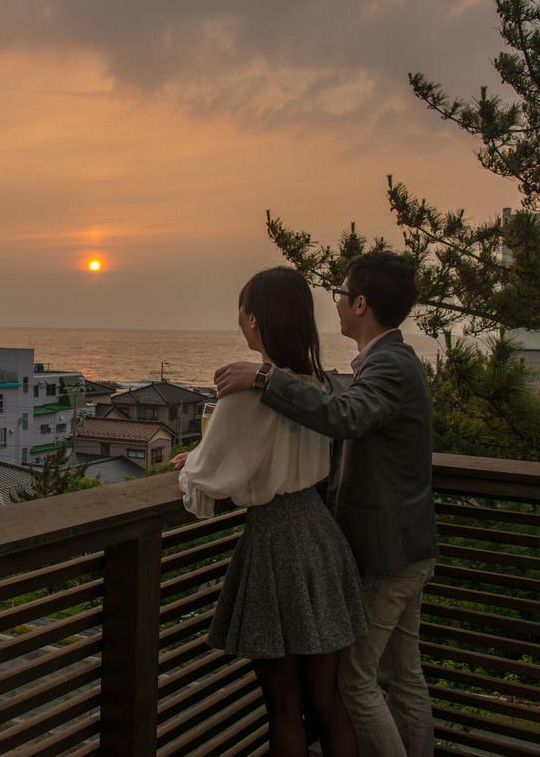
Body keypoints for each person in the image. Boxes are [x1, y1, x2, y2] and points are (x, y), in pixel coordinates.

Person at [214, 250, 438, 757]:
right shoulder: (389, 361)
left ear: (360, 303)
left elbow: (346, 417)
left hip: (389, 553)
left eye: (339, 293)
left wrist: (267, 378)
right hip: (410, 546)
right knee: (403, 677)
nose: (333, 303)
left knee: (356, 684)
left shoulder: (388, 366)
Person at [173, 266, 369, 757]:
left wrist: (189, 466)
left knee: (281, 702)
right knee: (326, 699)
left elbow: (206, 485)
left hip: (275, 545)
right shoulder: (319, 385)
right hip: (322, 540)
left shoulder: (245, 392)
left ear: (255, 321)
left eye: (243, 311)